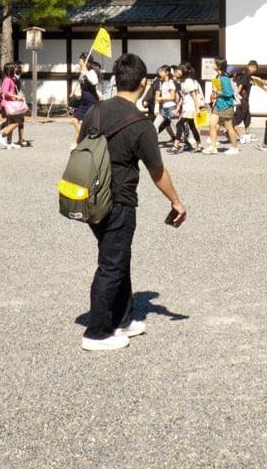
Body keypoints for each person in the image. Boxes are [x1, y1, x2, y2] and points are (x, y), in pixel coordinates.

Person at [78, 53, 186, 352]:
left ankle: (123, 318)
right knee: (111, 264)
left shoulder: (95, 112)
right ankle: (97, 331)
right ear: (143, 82)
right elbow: (157, 171)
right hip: (118, 200)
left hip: (90, 196)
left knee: (117, 255)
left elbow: (80, 145)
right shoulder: (141, 124)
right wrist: (176, 201)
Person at [0, 64, 27, 149]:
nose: (16, 70)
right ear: (11, 70)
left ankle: (9, 143)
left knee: (11, 122)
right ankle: (2, 136)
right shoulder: (7, 80)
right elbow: (5, 92)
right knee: (18, 121)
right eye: (15, 68)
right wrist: (17, 96)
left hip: (11, 103)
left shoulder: (10, 79)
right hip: (8, 104)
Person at [70, 53, 103, 147]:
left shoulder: (91, 72)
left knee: (83, 122)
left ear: (85, 62)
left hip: (91, 101)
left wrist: (86, 72)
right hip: (83, 101)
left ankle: (83, 139)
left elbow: (94, 82)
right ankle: (78, 141)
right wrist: (75, 94)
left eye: (80, 60)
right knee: (75, 120)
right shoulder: (82, 73)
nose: (79, 62)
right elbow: (81, 87)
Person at [205, 67, 240, 154]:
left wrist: (218, 92)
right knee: (212, 124)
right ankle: (213, 147)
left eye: (215, 63)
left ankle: (234, 148)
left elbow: (229, 93)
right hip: (218, 105)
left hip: (226, 105)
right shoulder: (218, 77)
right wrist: (215, 92)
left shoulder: (225, 78)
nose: (213, 65)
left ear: (219, 66)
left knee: (229, 127)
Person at [172, 65, 204, 154]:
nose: (177, 72)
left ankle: (176, 146)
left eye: (179, 71)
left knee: (179, 124)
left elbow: (194, 95)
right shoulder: (182, 81)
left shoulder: (188, 81)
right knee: (192, 126)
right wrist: (178, 108)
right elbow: (182, 97)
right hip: (186, 106)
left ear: (184, 72)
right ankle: (200, 145)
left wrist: (197, 108)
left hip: (190, 106)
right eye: (177, 71)